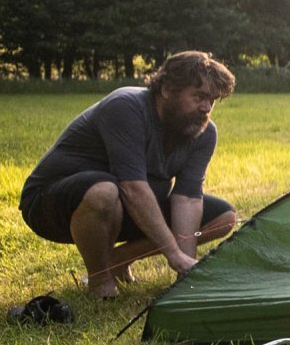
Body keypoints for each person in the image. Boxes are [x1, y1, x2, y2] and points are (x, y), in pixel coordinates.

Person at [20, 51, 240, 298]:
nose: (206, 108)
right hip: (51, 204)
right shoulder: (126, 106)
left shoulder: (204, 132)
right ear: (167, 89)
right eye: (199, 96)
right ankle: (100, 280)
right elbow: (132, 187)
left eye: (213, 100)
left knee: (223, 217)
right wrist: (173, 254)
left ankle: (116, 261)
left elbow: (187, 198)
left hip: (125, 208)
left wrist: (184, 268)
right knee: (104, 191)